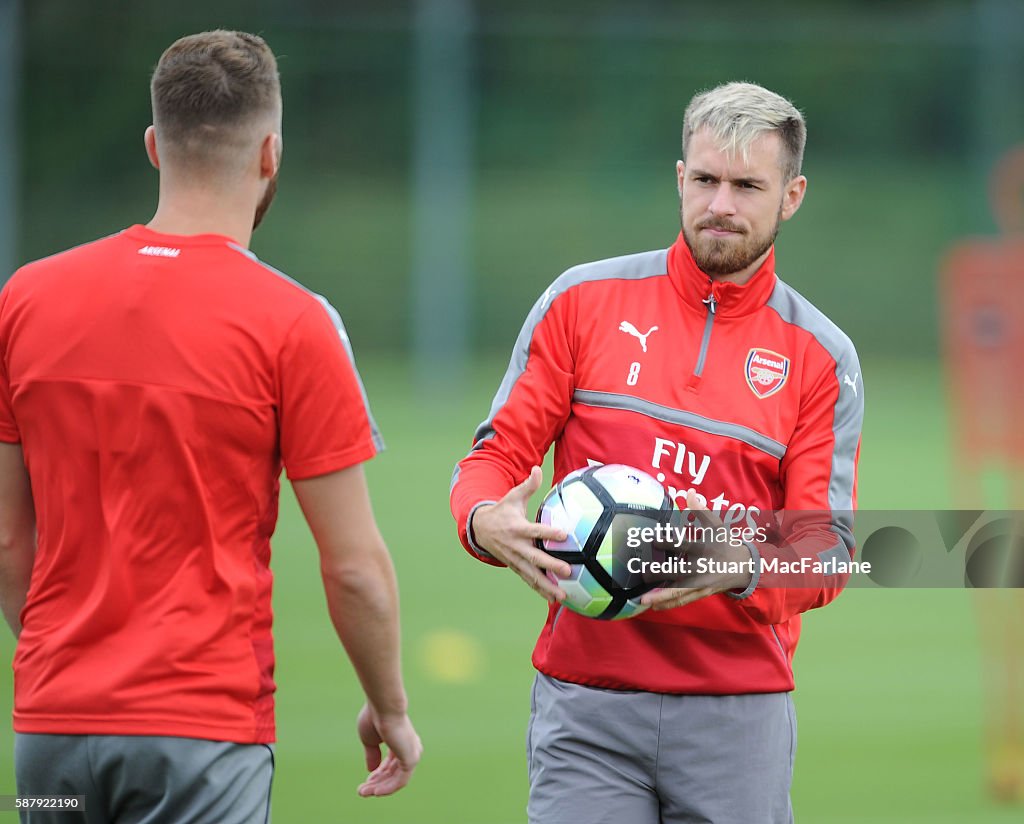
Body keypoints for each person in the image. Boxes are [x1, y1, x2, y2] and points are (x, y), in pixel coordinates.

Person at [0, 30, 420, 823]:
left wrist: (72, 660)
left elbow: (6, 539)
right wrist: (388, 707)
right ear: (271, 154)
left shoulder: (25, 298)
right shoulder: (295, 323)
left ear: (155, 147)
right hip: (202, 734)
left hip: (49, 734)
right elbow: (354, 566)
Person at [450, 81, 863, 823]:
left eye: (747, 186)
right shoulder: (581, 302)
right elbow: (494, 455)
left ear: (792, 195)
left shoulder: (821, 358)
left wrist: (735, 559)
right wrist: (482, 519)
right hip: (587, 706)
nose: (720, 206)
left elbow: (826, 548)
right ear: (680, 178)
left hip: (737, 715)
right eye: (704, 180)